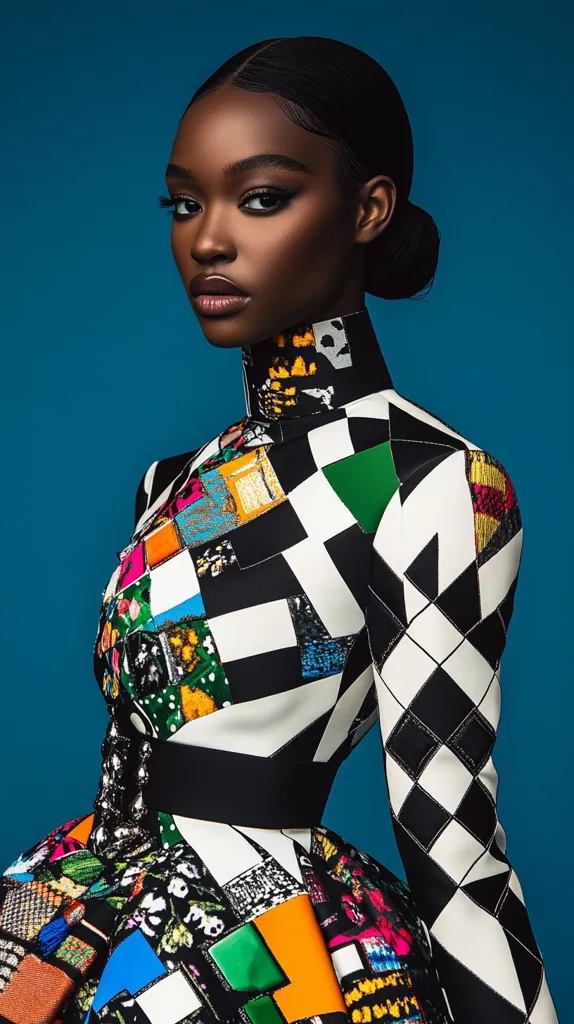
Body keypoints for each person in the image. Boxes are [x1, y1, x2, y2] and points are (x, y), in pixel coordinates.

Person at [0, 35, 557, 1024]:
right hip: (70, 913)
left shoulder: (429, 483)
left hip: (270, 954)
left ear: (368, 208)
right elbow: (130, 771)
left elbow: (450, 837)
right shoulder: (174, 481)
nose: (207, 239)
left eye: (259, 197)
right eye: (184, 202)